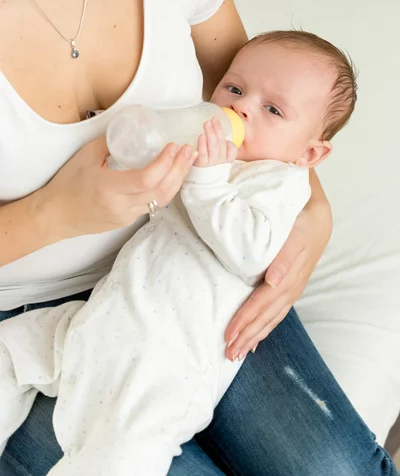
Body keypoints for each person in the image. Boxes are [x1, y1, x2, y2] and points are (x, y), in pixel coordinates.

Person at [0, 0, 396, 475]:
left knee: (334, 468)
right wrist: (56, 213)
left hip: (196, 275)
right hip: (28, 309)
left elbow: (262, 94)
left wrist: (313, 213)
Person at [0, 30, 357, 476]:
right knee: (9, 352)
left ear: (309, 153)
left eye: (273, 109)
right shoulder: (204, 148)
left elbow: (250, 252)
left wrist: (206, 181)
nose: (241, 108)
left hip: (165, 364)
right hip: (104, 317)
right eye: (235, 88)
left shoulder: (279, 182)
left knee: (122, 455)